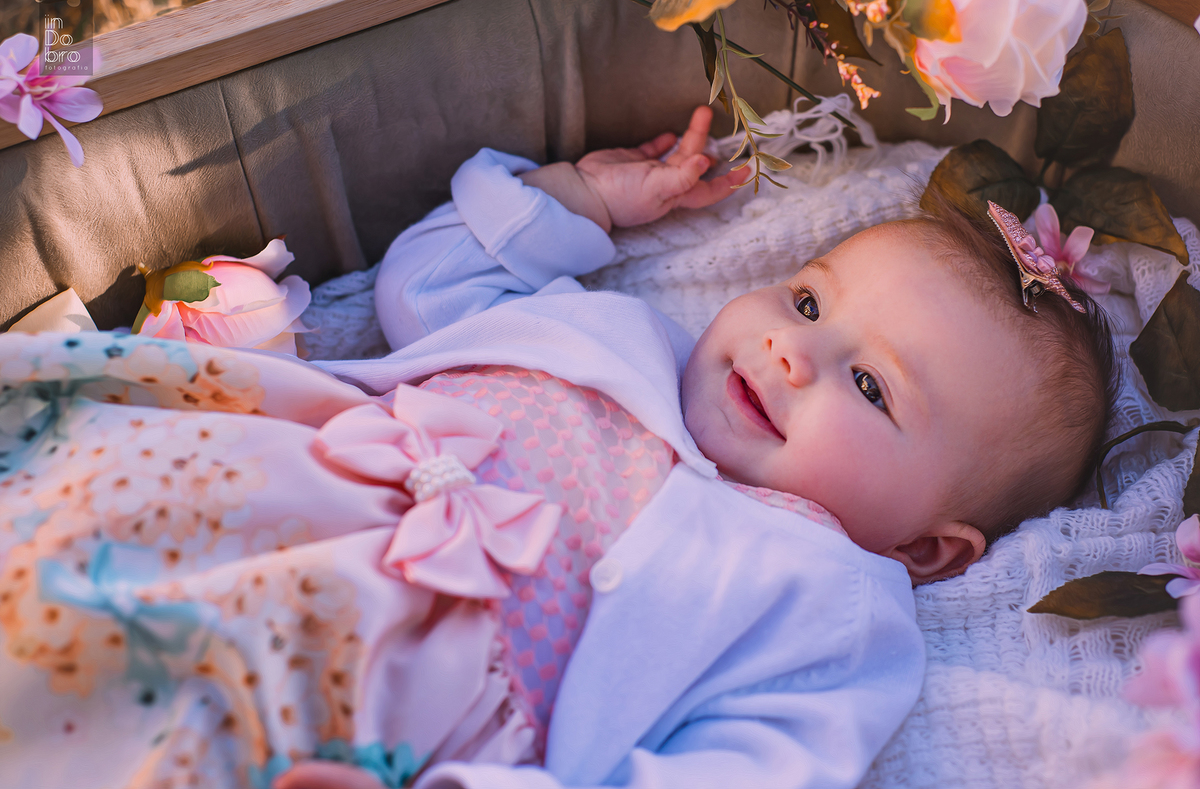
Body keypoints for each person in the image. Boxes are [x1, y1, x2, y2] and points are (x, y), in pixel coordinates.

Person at [0, 107, 1114, 789]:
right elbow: (428, 289)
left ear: (930, 550)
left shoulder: (831, 600)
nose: (788, 355)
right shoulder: (618, 330)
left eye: (870, 386)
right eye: (809, 304)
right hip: (256, 485)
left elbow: (750, 773)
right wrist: (580, 200)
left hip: (394, 691)